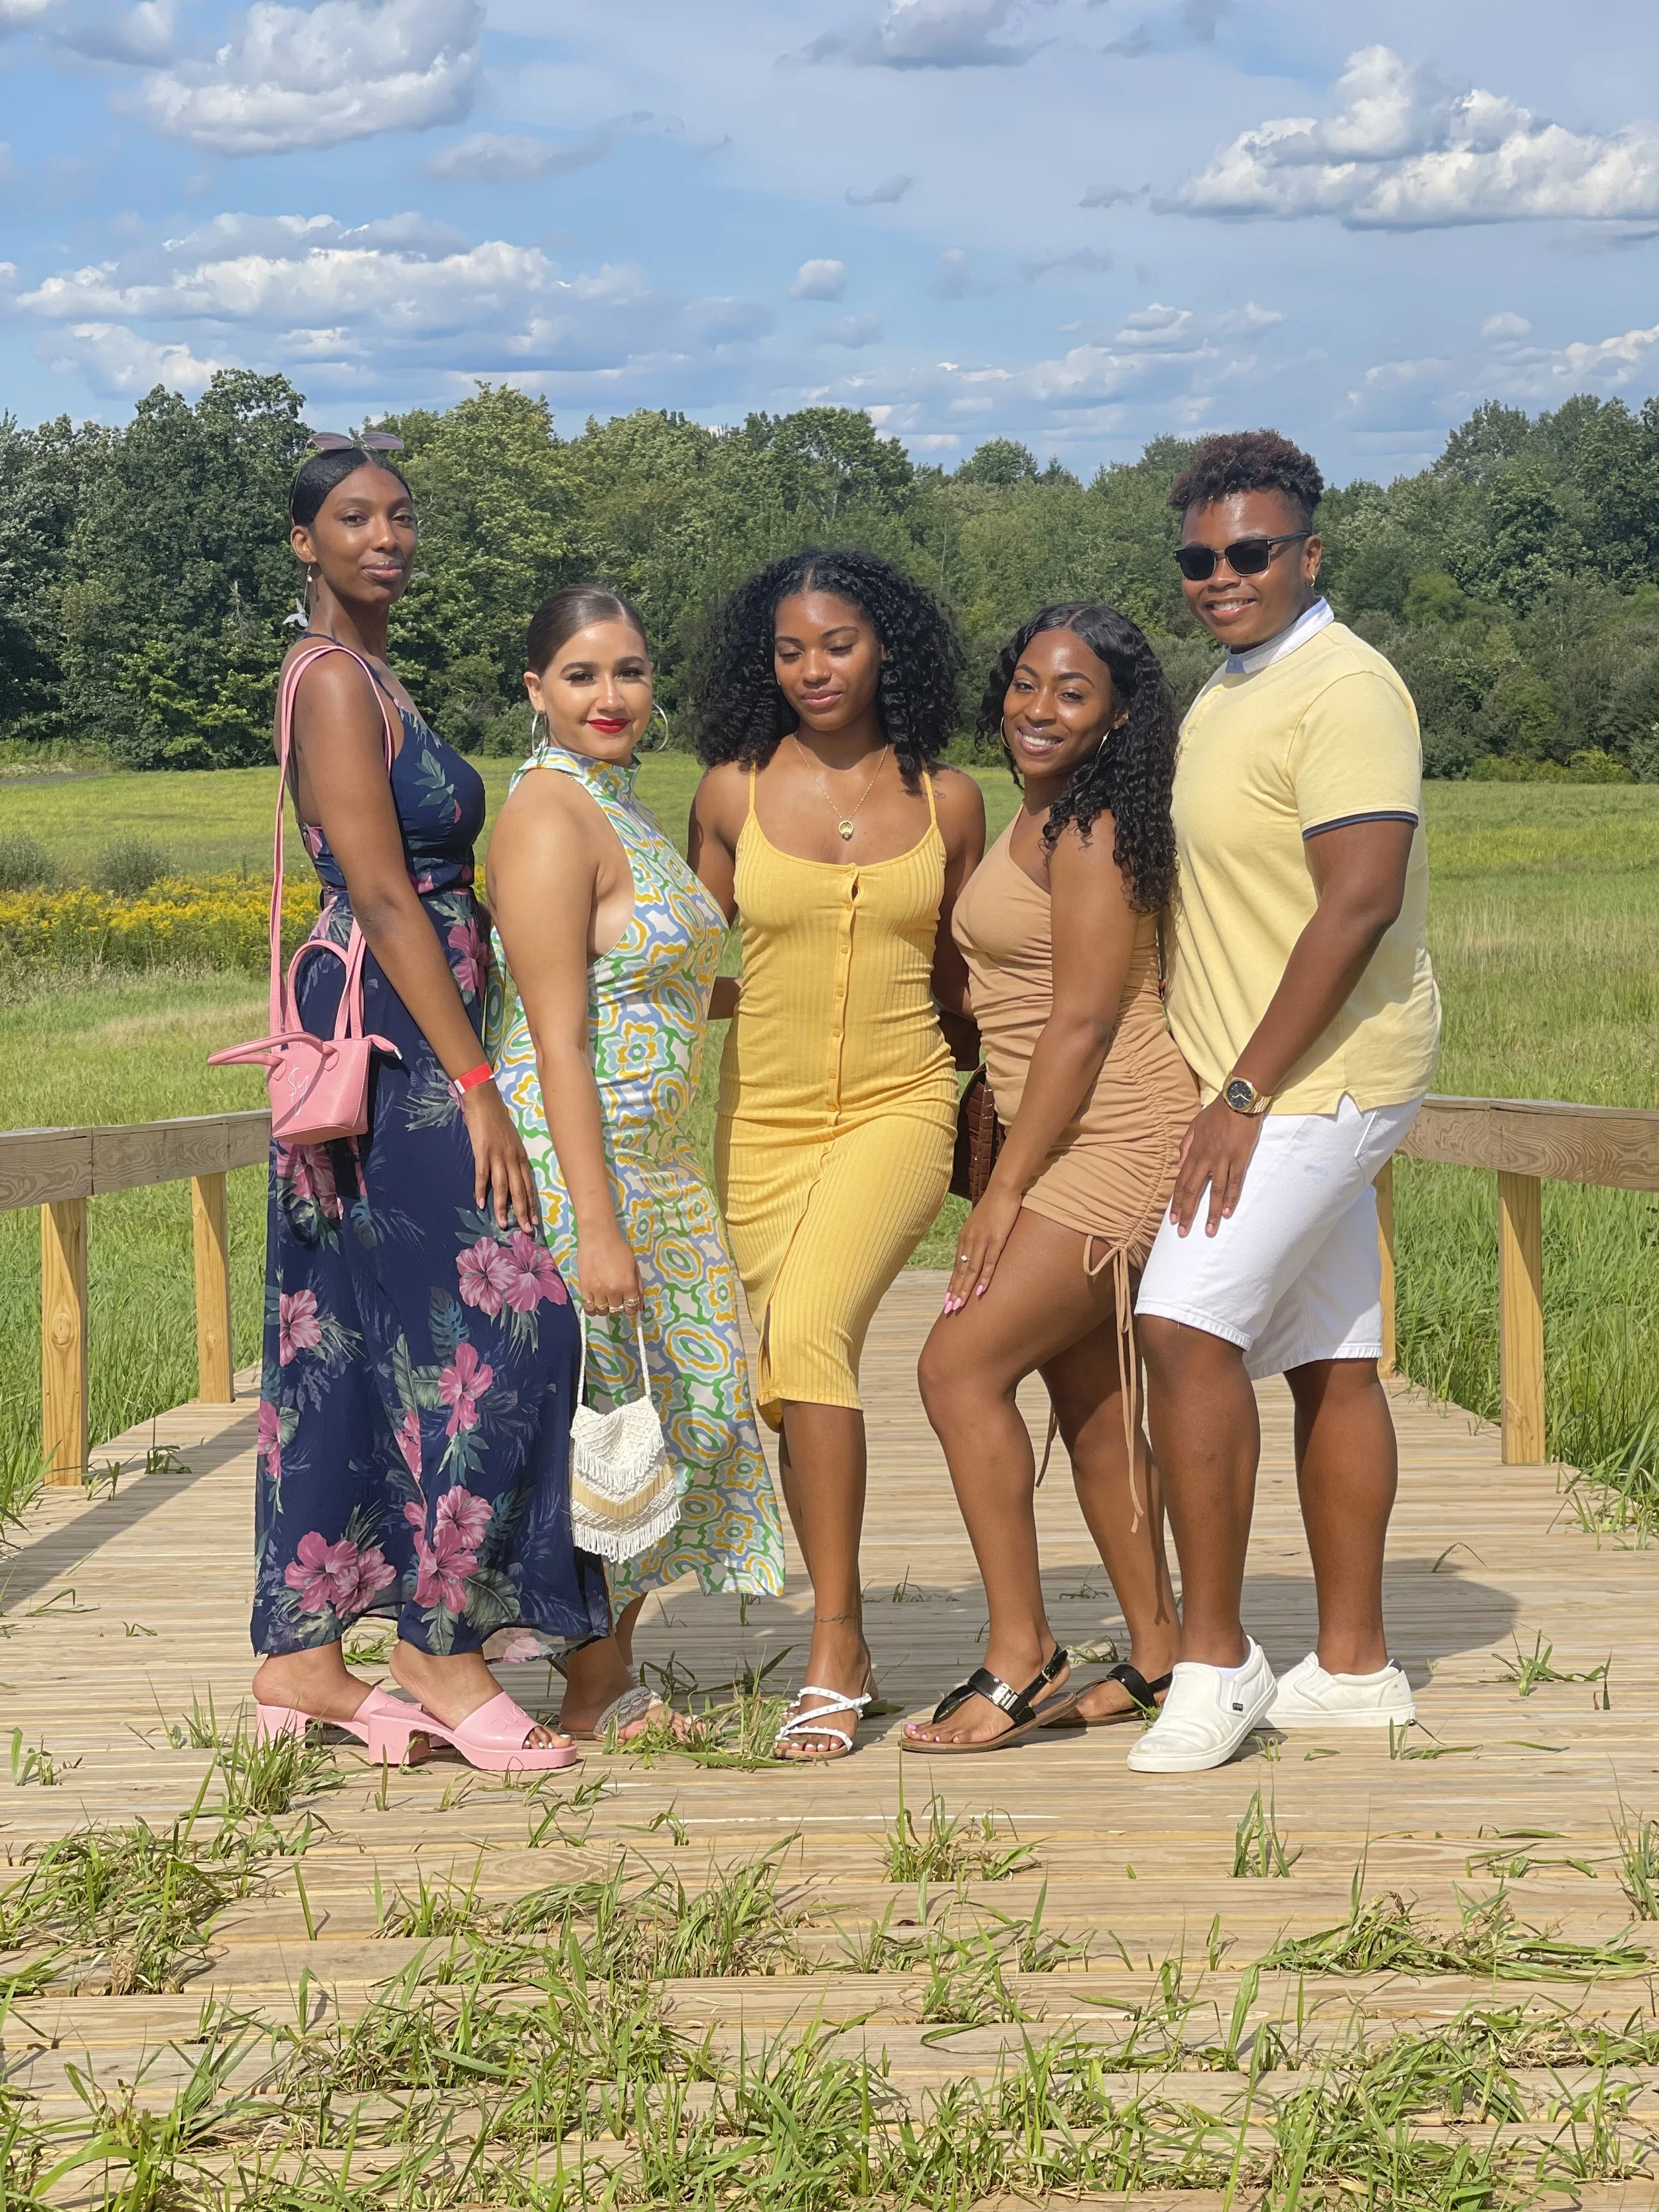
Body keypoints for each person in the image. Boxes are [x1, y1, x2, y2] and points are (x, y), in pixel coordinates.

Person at [246, 441, 611, 1775]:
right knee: (511, 1318)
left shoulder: (370, 674)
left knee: (355, 1340)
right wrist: (477, 1087)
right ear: (305, 542)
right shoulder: (335, 680)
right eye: (353, 518)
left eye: (400, 515)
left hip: (403, 1029)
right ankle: (437, 1652)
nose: (384, 536)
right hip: (399, 1048)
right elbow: (391, 891)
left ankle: (302, 1658)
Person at [1130, 429, 1441, 1774]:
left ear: (1307, 552)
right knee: (1330, 1355)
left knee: (1178, 1324)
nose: (1220, 575)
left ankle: (1214, 1658)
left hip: (1315, 1079)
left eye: (1248, 552)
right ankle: (1356, 1668)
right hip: (1270, 1082)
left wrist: (1242, 1086)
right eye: (1197, 559)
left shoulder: (1344, 686)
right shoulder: (1224, 689)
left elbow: (1358, 901)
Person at [688, 549, 985, 1761]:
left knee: (807, 1328)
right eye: (790, 650)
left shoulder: (951, 799)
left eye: (840, 644)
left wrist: (1016, 1109)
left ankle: (835, 1641)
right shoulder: (730, 793)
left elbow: (971, 975)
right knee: (780, 1377)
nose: (814, 669)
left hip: (903, 1105)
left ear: (889, 650)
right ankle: (825, 1629)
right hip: (760, 1122)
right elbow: (678, 958)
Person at [486, 585, 786, 1739]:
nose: (610, 696)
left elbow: (659, 979)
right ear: (537, 692)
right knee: (619, 1418)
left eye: (630, 672)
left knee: (686, 1415)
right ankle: (575, 1674)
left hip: (654, 1165)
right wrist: (598, 1228)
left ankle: (600, 1672)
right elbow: (557, 1032)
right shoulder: (548, 817)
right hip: (586, 1165)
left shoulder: (620, 804)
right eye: (581, 675)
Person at [904, 603, 1196, 1753]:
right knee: (1096, 1404)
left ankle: (1020, 1654)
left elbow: (1080, 1022)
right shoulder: (1037, 809)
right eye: (1025, 684)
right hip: (1059, 1133)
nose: (1037, 709)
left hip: (1116, 1137)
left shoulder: (1096, 825)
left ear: (1119, 713)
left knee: (956, 1366)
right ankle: (1163, 1654)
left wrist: (1008, 1192)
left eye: (1071, 694)